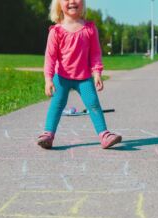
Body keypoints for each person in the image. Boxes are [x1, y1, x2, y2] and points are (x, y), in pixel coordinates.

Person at [37, 0, 122, 149]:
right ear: (58, 4)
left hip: (84, 79)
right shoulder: (56, 31)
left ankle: (104, 135)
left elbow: (95, 53)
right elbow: (50, 57)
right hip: (62, 78)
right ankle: (48, 135)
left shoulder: (89, 29)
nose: (72, 2)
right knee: (57, 105)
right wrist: (48, 79)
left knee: (93, 104)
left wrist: (97, 73)